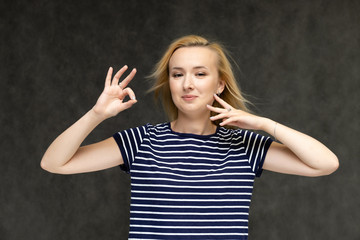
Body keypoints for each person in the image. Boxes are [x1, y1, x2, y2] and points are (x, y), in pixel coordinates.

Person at [41, 35, 339, 240]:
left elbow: (325, 164)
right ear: (169, 82)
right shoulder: (141, 142)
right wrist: (96, 114)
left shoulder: (244, 146)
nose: (187, 84)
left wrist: (265, 124)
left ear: (220, 84)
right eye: (177, 74)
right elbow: (54, 163)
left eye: (199, 74)